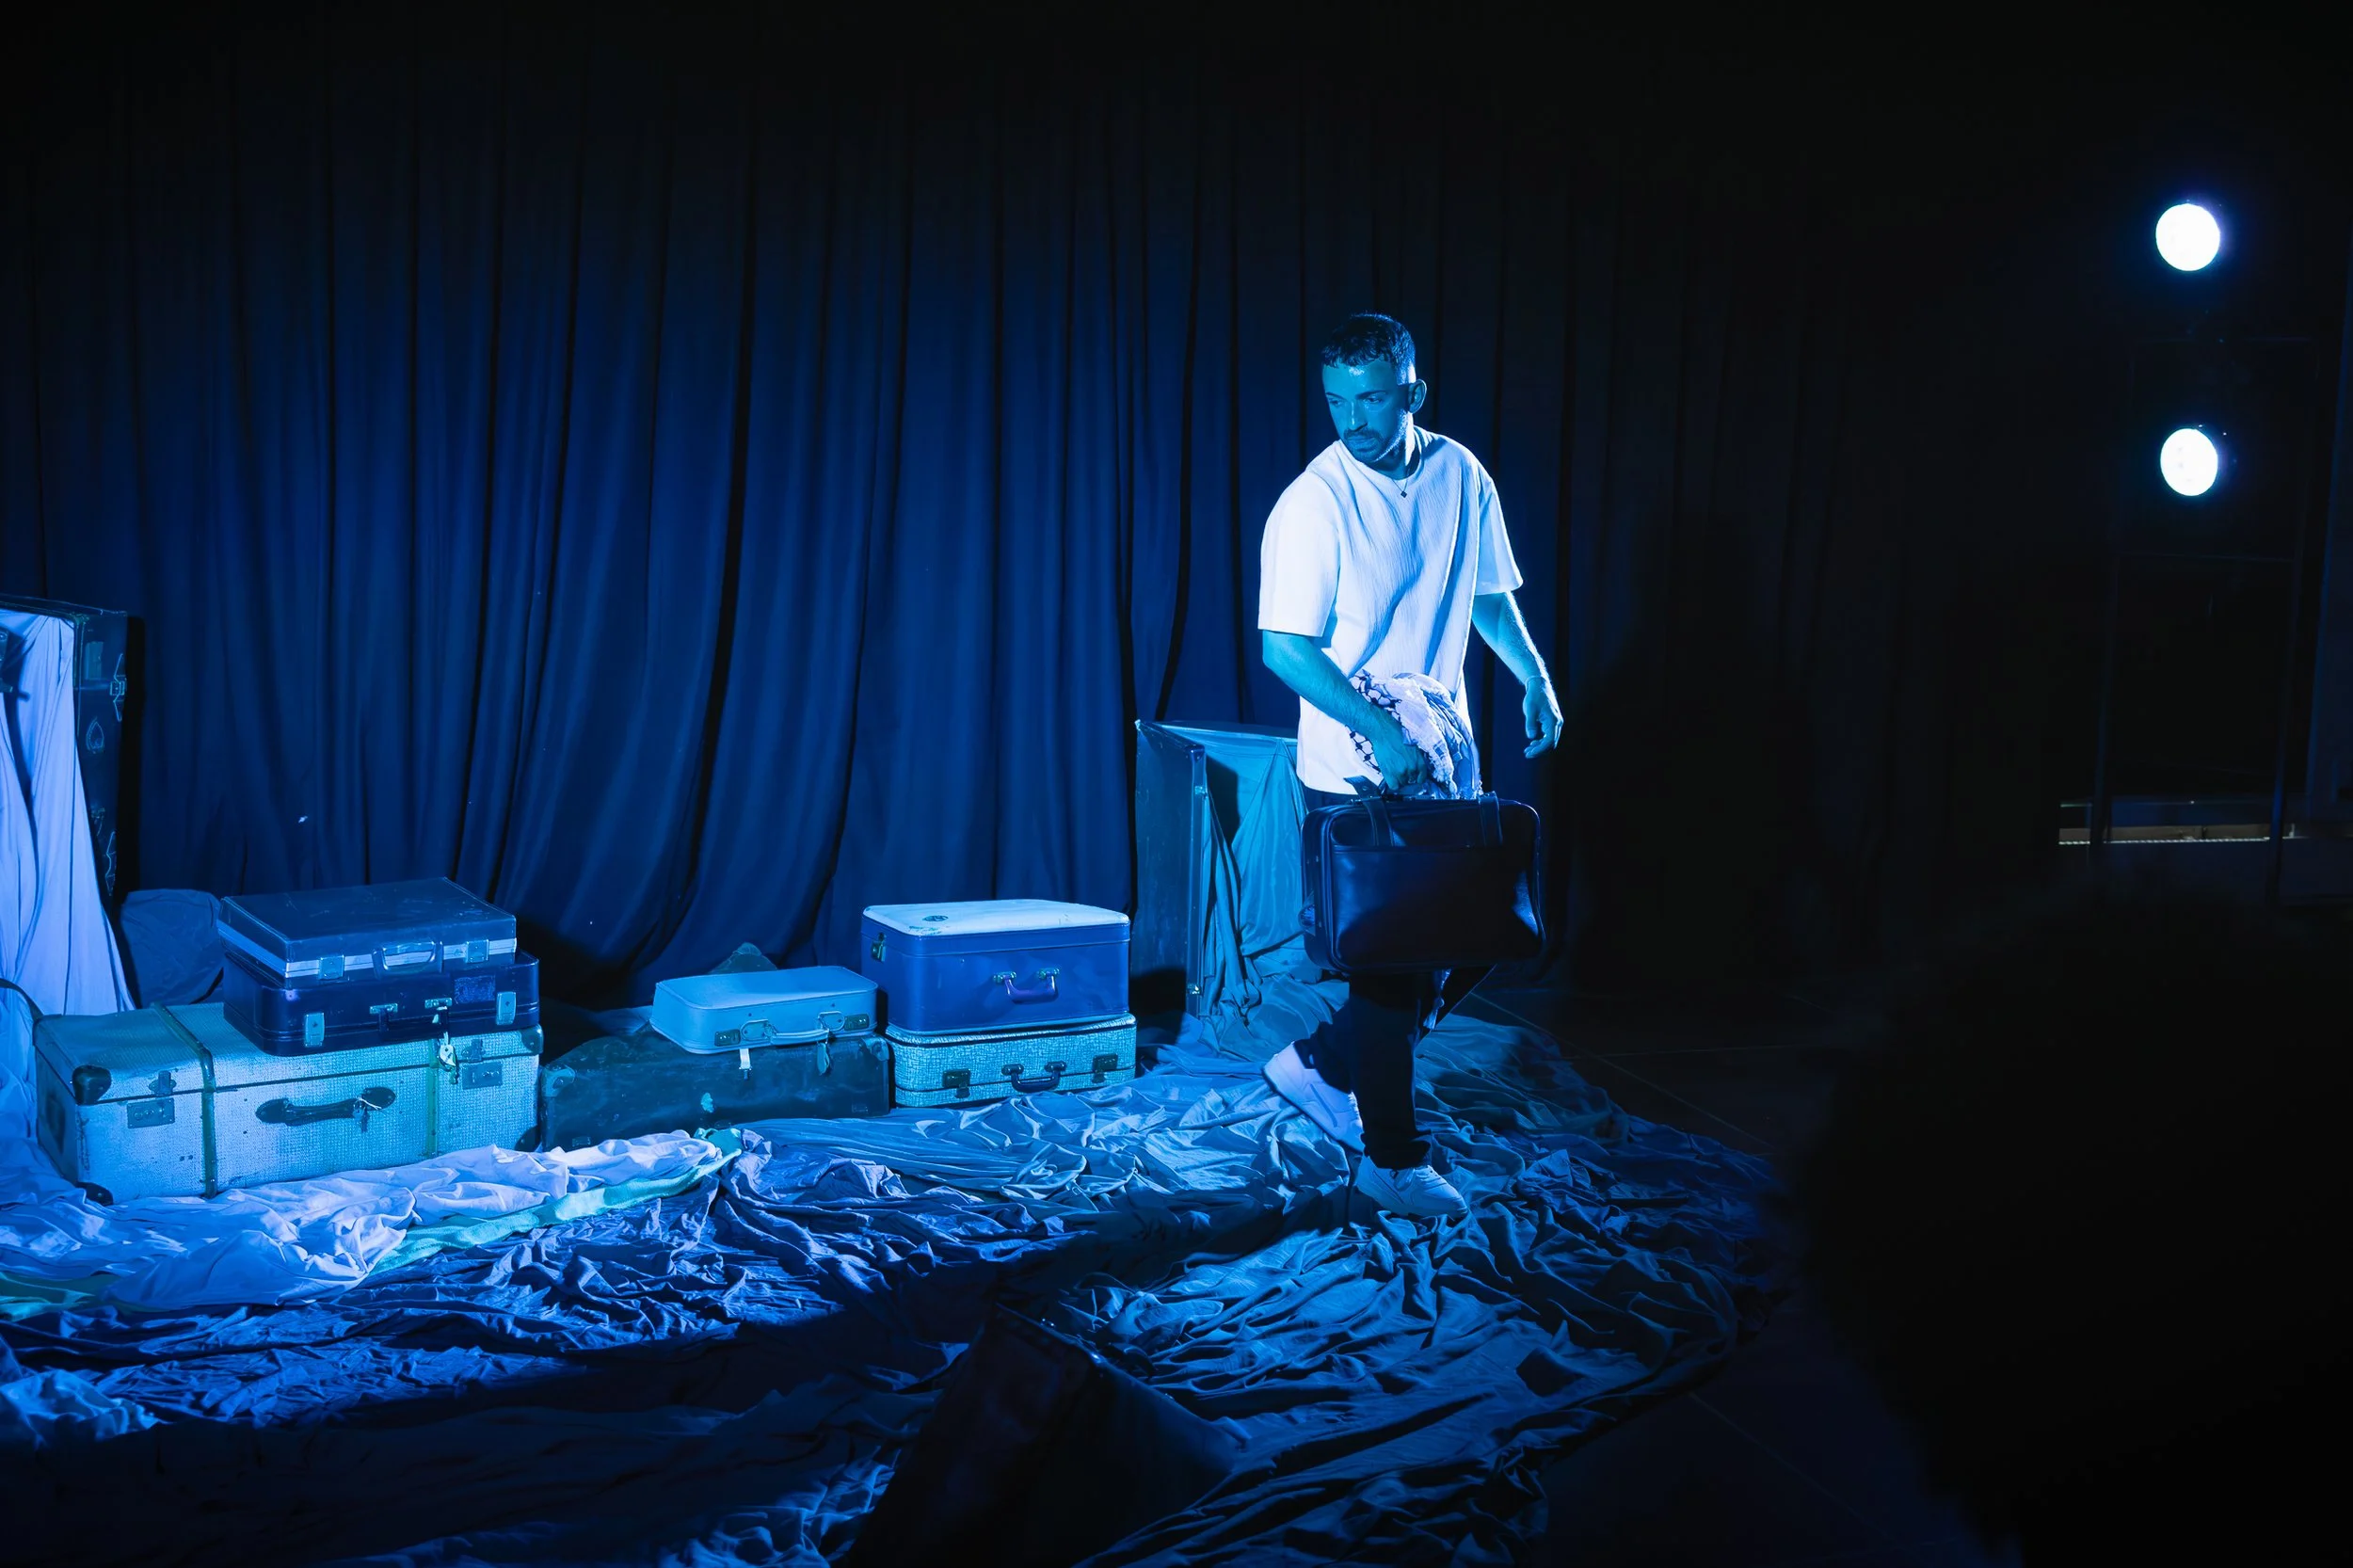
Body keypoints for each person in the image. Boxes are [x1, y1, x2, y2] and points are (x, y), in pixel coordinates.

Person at [1256, 312, 1561, 1219]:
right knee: (1393, 967)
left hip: (1441, 755)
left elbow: (1487, 592)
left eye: (1372, 400)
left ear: (1413, 393)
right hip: (1351, 769)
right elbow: (1284, 647)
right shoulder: (1314, 503)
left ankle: (1325, 1063)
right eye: (1337, 402)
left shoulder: (1460, 473)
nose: (1353, 420)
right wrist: (1378, 735)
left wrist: (1535, 677)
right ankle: (1391, 1159)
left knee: (1478, 934)